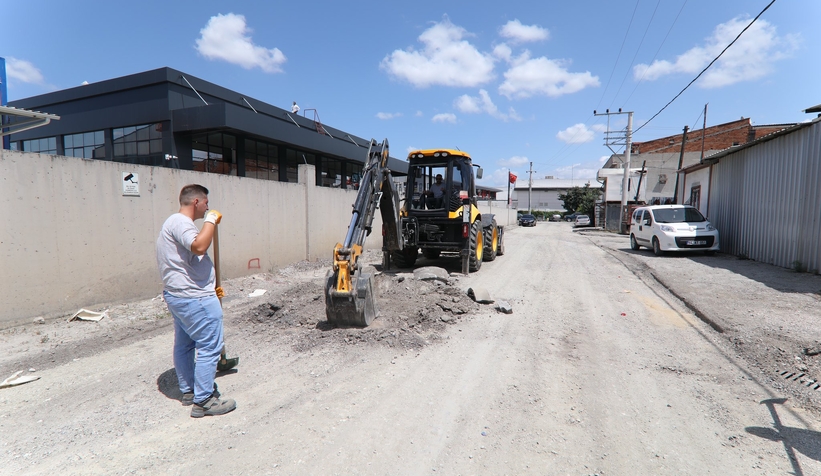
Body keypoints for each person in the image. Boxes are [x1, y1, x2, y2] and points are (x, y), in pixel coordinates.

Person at [156, 184, 237, 418]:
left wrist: (210, 283)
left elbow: (190, 257)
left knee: (184, 344)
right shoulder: (181, 223)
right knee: (210, 346)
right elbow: (199, 245)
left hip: (180, 295)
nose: (207, 207)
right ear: (196, 203)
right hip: (194, 298)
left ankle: (189, 390)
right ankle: (203, 400)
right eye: (206, 204)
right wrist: (210, 221)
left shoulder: (172, 224)